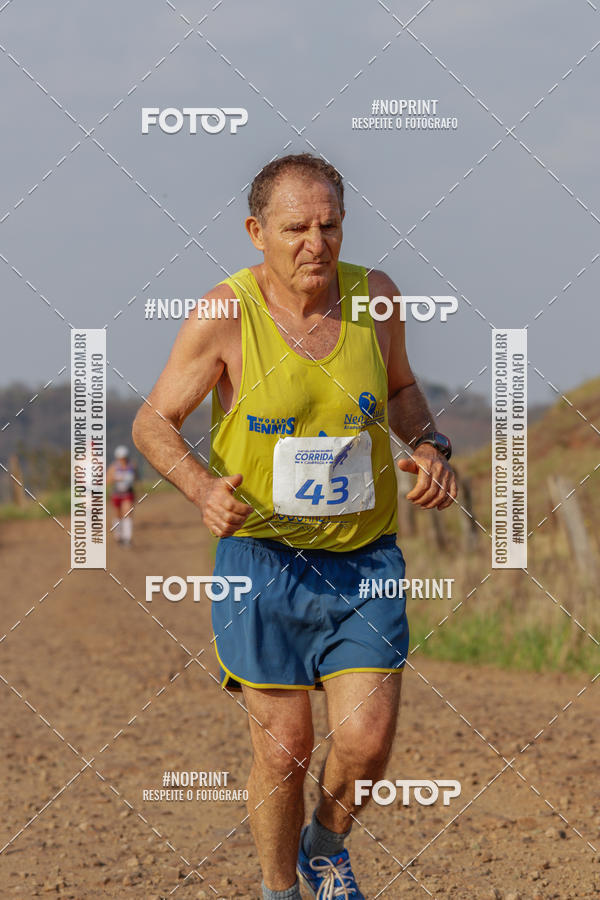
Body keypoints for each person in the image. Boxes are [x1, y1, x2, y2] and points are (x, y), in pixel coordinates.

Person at [133, 153, 457, 899]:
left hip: (363, 559)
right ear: (257, 232)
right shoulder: (224, 315)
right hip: (262, 561)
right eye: (296, 228)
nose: (317, 243)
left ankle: (327, 842)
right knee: (285, 750)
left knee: (366, 743)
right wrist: (199, 487)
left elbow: (403, 388)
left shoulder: (375, 301)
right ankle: (281, 891)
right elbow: (155, 423)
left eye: (330, 225)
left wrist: (430, 445)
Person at [107, 445, 137, 546]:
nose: (123, 460)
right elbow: (107, 481)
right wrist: (115, 478)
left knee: (127, 514)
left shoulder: (132, 465)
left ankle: (127, 538)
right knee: (117, 515)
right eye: (121, 458)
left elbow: (136, 478)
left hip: (128, 493)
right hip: (116, 494)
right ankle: (118, 535)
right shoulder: (114, 467)